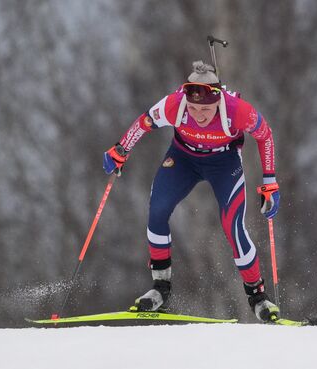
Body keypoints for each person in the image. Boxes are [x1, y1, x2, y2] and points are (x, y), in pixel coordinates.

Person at [102, 61, 281, 322]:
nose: (199, 114)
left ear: (217, 101)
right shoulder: (174, 105)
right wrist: (121, 150)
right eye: (194, 108)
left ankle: (258, 297)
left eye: (205, 109)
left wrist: (270, 182)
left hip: (224, 162)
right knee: (158, 210)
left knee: (233, 226)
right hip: (182, 159)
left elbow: (265, 136)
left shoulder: (237, 111)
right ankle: (160, 288)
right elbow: (144, 123)